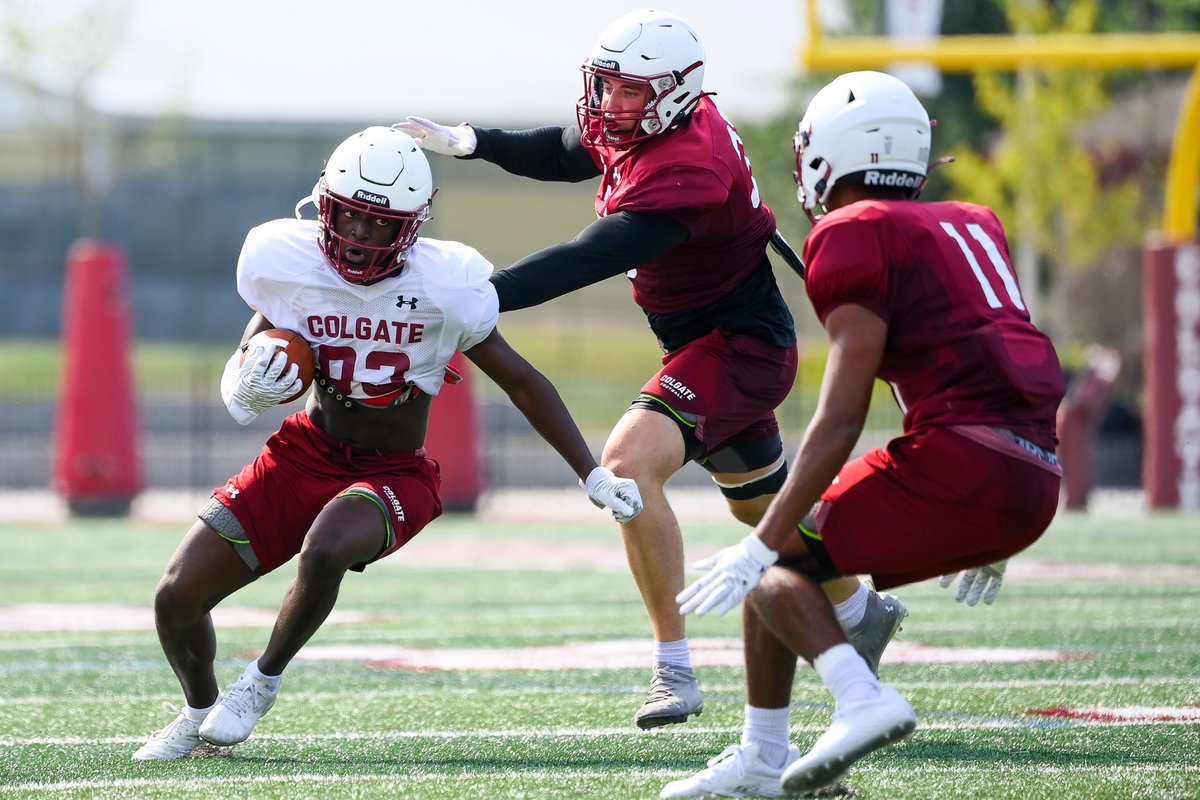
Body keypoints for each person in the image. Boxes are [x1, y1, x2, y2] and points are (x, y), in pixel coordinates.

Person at [395, 9, 907, 730]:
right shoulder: (656, 121)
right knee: (759, 506)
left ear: (673, 93)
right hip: (707, 338)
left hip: (740, 344)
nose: (610, 104)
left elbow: (593, 252)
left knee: (629, 465)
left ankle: (675, 670)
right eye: (606, 86)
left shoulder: (689, 165)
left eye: (628, 91)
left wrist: (486, 294)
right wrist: (474, 142)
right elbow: (571, 148)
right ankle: (859, 609)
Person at [131, 126, 643, 760]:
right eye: (350, 216)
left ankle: (259, 683)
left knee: (327, 546)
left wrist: (591, 473)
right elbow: (264, 328)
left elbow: (524, 381)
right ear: (325, 205)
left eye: (381, 224)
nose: (361, 236)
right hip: (304, 453)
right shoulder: (285, 261)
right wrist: (242, 377)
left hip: (394, 471)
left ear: (414, 225)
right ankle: (199, 715)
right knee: (176, 596)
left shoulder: (445, 285)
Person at [658, 70, 1066, 798]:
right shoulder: (973, 221)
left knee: (773, 553)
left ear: (829, 155)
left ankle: (858, 699)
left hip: (965, 459)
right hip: (1034, 473)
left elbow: (841, 416)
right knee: (789, 555)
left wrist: (761, 539)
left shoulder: (853, 232)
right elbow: (1007, 353)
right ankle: (764, 759)